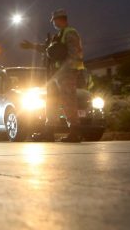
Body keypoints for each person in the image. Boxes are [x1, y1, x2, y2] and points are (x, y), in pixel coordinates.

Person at [20, 8, 86, 142]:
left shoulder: (70, 33)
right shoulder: (59, 35)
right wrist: (32, 46)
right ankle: (48, 131)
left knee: (68, 102)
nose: (53, 23)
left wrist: (64, 71)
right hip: (55, 75)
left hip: (66, 74)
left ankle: (74, 131)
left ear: (59, 19)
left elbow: (75, 55)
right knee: (51, 102)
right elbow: (48, 48)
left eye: (54, 20)